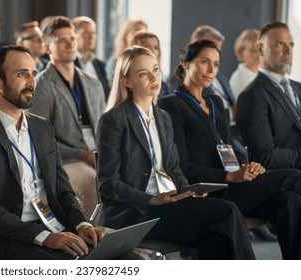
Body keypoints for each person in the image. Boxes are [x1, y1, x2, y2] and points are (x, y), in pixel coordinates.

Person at [96, 45, 255, 259]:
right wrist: (150, 200)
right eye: (143, 74)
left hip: (168, 204)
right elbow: (107, 183)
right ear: (127, 81)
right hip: (136, 214)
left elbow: (172, 168)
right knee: (227, 212)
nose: (154, 77)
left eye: (155, 70)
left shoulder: (163, 117)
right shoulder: (113, 120)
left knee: (216, 235)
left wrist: (188, 191)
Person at [0, 45, 106, 260]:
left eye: (33, 73)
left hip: (53, 227)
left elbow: (63, 190)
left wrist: (81, 223)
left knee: (126, 257)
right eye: (21, 74)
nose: (32, 82)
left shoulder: (42, 128)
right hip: (1, 241)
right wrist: (45, 237)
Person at [159, 39, 301, 259]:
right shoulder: (171, 104)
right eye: (204, 62)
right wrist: (230, 175)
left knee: (291, 202)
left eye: (216, 64)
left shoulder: (217, 103)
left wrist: (247, 167)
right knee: (297, 178)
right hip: (211, 189)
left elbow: (226, 147)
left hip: (233, 183)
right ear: (186, 64)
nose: (211, 70)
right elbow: (182, 166)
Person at [28, 16, 106, 219]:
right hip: (67, 160)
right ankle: (93, 242)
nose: (70, 43)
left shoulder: (93, 82)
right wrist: (84, 155)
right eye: (61, 40)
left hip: (98, 152)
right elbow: (41, 140)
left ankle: (122, 241)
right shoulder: (41, 85)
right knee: (92, 181)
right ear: (47, 47)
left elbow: (105, 128)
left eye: (72, 38)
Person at [236, 22, 301, 176]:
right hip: (290, 176)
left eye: (291, 45)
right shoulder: (251, 96)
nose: (288, 51)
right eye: (280, 44)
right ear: (261, 49)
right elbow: (266, 157)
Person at [72, 16, 110, 100]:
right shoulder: (69, 63)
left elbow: (106, 93)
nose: (91, 37)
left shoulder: (100, 64)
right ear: (74, 35)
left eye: (93, 33)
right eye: (85, 33)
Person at [105, 19, 148, 86]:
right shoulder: (115, 62)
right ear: (125, 36)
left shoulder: (149, 62)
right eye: (136, 31)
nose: (140, 37)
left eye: (143, 34)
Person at [131, 31, 168, 100]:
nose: (153, 51)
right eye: (147, 47)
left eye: (156, 48)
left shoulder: (163, 85)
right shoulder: (130, 81)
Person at [230, 29, 260, 99]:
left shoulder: (262, 74)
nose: (258, 54)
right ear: (241, 52)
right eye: (253, 51)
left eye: (260, 50)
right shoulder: (239, 78)